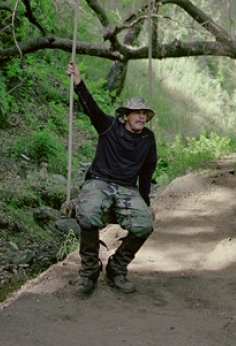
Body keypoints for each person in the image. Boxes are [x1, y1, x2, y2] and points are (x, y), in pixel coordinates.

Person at [66, 61, 157, 296]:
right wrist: (78, 81)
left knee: (145, 223)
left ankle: (117, 267)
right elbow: (91, 108)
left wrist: (146, 202)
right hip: (100, 181)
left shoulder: (148, 139)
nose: (141, 117)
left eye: (144, 114)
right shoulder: (108, 127)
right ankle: (89, 271)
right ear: (125, 116)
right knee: (87, 212)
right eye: (137, 113)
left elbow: (147, 173)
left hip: (127, 188)